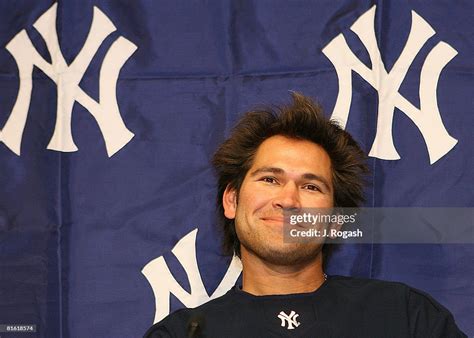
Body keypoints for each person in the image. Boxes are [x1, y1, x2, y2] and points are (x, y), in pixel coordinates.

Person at [144, 93, 466, 337]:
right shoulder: (182, 333)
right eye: (270, 179)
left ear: (337, 220)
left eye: (311, 187)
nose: (288, 200)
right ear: (232, 200)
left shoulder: (405, 316)